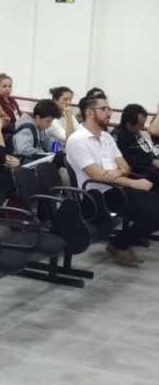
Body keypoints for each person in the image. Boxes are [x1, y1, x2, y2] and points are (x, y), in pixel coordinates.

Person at [67, 96, 159, 266]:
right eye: (104, 109)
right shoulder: (77, 140)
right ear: (89, 112)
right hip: (97, 194)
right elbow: (96, 175)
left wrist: (118, 171)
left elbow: (125, 165)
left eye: (109, 109)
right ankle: (120, 244)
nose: (109, 113)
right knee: (154, 213)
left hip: (115, 188)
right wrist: (132, 182)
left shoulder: (106, 137)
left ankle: (121, 244)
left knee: (155, 202)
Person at [113, 103, 159, 186]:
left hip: (150, 169)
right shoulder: (118, 137)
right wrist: (152, 161)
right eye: (140, 125)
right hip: (139, 175)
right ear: (129, 125)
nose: (143, 127)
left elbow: (146, 150)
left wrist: (154, 160)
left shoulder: (135, 132)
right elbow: (127, 160)